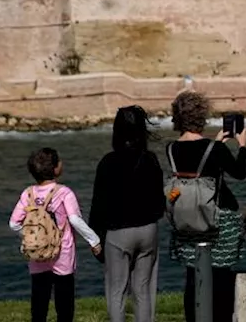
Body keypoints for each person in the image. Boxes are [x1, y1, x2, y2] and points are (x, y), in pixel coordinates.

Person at [168, 91, 246, 322]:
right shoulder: (215, 150)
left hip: (187, 218)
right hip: (218, 218)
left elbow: (197, 165)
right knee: (221, 276)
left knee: (193, 275)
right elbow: (240, 173)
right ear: (202, 117)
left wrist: (216, 144)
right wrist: (242, 146)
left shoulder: (171, 148)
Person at [89, 106, 166, 322]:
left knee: (117, 291)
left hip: (119, 232)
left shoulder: (108, 163)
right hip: (148, 229)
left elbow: (99, 205)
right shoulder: (150, 159)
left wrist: (95, 238)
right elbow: (159, 200)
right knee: (143, 290)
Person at [10, 148, 103, 322]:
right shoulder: (64, 192)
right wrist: (94, 240)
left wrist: (32, 236)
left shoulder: (27, 193)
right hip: (62, 253)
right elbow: (75, 220)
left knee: (39, 299)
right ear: (55, 169)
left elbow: (13, 223)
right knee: (64, 301)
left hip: (37, 254)